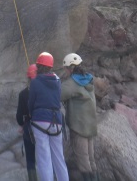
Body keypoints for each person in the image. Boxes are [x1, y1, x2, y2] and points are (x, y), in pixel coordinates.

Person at [28, 52, 69, 181]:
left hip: (39, 120)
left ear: (38, 65)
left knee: (44, 158)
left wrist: (30, 114)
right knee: (59, 157)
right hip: (56, 120)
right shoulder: (57, 81)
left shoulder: (35, 82)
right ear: (51, 67)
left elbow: (31, 103)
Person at [61, 53, 98, 181]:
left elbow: (58, 95)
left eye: (65, 68)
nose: (65, 71)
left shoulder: (72, 83)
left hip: (79, 127)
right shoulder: (88, 78)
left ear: (70, 68)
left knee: (83, 161)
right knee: (91, 159)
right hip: (91, 126)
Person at [16, 64, 38, 181]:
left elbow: (20, 115)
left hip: (29, 127)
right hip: (47, 127)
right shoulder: (44, 90)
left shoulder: (23, 94)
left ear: (28, 78)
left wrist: (22, 125)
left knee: (30, 159)